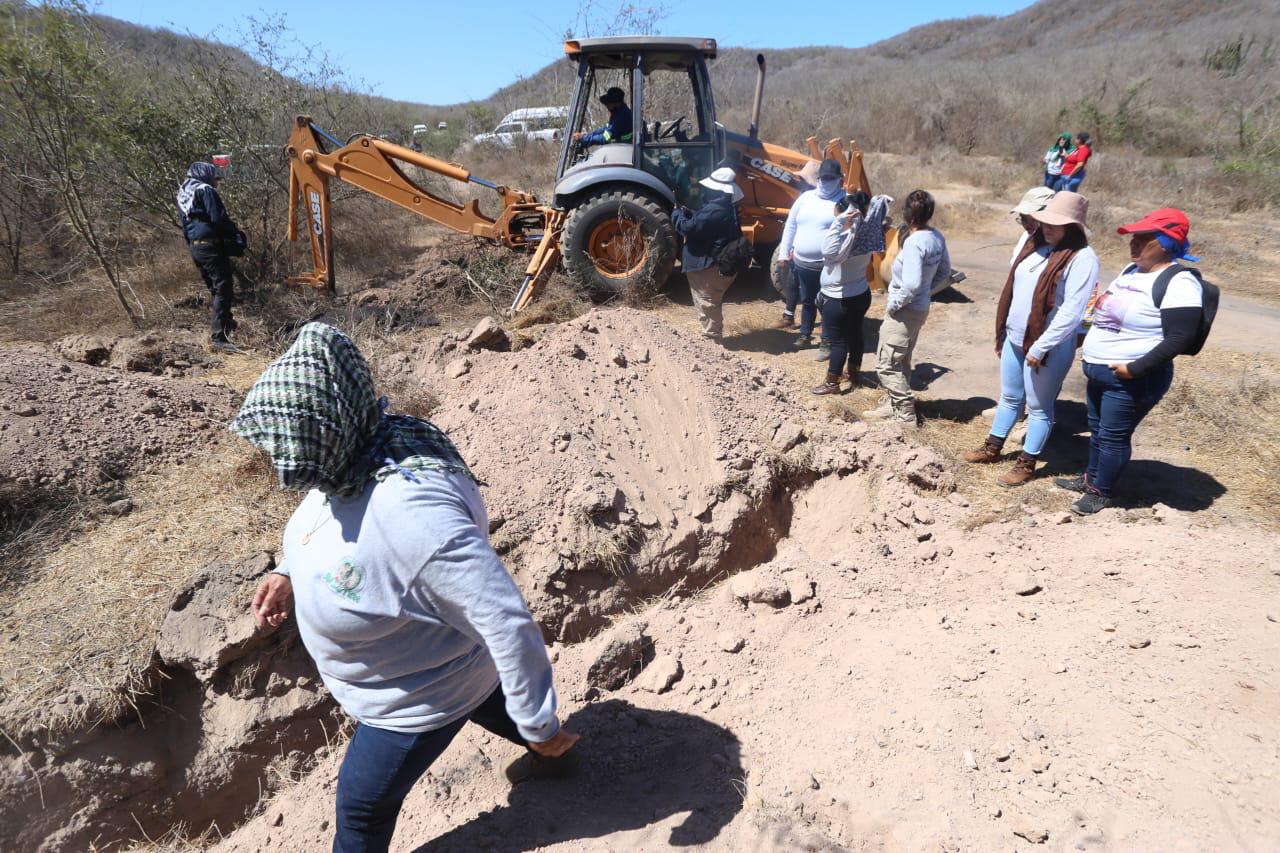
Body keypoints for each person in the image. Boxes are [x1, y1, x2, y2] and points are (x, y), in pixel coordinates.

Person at [232, 323, 577, 852]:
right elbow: (328, 516)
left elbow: (506, 623)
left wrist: (540, 721)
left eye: (285, 448)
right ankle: (555, 759)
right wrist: (288, 569)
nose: (278, 465)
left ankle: (548, 744)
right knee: (494, 701)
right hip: (446, 664)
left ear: (327, 432)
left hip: (420, 694)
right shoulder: (367, 447)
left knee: (361, 806)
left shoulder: (417, 521)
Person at [1057, 208, 1204, 516]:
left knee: (1113, 436)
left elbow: (1180, 338)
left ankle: (1101, 491)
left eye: (1143, 238)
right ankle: (1090, 478)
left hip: (1132, 378)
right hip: (1101, 371)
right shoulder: (1131, 270)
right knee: (1098, 430)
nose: (1133, 244)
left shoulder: (1179, 282)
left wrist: (1132, 369)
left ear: (1165, 243)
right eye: (1133, 238)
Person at [962, 191, 1099, 486]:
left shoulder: (1082, 258)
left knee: (1039, 406)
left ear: (1073, 226)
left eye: (1055, 223)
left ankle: (1026, 463)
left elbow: (1072, 312)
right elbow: (1014, 289)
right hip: (1015, 337)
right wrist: (1005, 332)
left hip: (1048, 345)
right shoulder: (1032, 242)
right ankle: (993, 447)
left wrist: (1041, 346)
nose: (1046, 227)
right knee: (1010, 397)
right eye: (1045, 221)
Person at [862, 190, 951, 425]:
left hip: (904, 311)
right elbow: (944, 271)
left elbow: (910, 284)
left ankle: (904, 413)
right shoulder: (936, 237)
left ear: (907, 214)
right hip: (919, 309)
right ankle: (893, 405)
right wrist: (926, 291)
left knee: (886, 364)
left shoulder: (913, 243)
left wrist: (894, 304)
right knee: (901, 359)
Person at [810, 191, 892, 395]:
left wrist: (837, 223)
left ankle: (832, 383)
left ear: (844, 213)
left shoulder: (844, 239)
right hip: (860, 294)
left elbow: (827, 252)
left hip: (838, 299)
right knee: (855, 333)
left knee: (838, 341)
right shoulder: (866, 234)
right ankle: (854, 372)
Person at [777, 158, 846, 352]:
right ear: (819, 178)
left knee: (827, 304)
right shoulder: (805, 198)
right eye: (824, 178)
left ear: (839, 179)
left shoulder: (844, 200)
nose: (827, 181)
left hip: (829, 266)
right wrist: (784, 253)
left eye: (831, 178)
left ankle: (827, 341)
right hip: (802, 263)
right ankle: (805, 334)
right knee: (807, 301)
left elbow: (851, 232)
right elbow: (791, 225)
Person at [673, 167, 744, 343]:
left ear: (715, 189)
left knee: (707, 304)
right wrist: (689, 214)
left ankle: (713, 343)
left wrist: (676, 213)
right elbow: (702, 222)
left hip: (708, 267)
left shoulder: (715, 210)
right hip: (718, 264)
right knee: (709, 304)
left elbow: (688, 228)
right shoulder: (726, 207)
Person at [177, 162, 243, 353]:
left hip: (196, 248)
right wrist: (236, 235)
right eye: (214, 177)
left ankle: (226, 326)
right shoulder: (205, 190)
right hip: (210, 245)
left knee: (216, 288)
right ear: (205, 175)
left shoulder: (184, 194)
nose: (216, 182)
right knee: (224, 286)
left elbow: (186, 226)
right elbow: (218, 218)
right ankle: (219, 339)